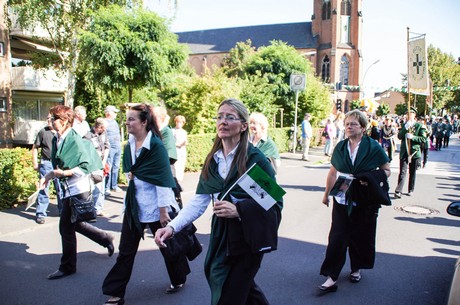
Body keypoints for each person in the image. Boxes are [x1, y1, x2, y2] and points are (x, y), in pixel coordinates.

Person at [155, 98, 283, 305]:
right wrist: (171, 227)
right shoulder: (213, 160)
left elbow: (273, 204)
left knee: (229, 294)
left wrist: (239, 210)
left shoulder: (254, 160)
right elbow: (200, 200)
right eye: (220, 116)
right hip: (221, 236)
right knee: (242, 290)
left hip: (247, 239)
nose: (222, 121)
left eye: (230, 117)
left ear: (243, 126)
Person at [102, 103, 189, 305]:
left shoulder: (156, 147)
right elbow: (129, 171)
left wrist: (162, 212)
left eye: (132, 119)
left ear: (144, 122)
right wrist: (132, 174)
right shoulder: (130, 145)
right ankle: (116, 292)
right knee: (126, 251)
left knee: (167, 247)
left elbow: (161, 181)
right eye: (127, 118)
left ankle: (179, 278)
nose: (127, 122)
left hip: (155, 206)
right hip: (134, 205)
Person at [39, 105, 114, 280]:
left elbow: (84, 167)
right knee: (75, 224)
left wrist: (61, 173)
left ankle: (67, 267)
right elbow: (58, 167)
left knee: (65, 227)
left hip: (78, 190)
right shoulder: (57, 138)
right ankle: (105, 238)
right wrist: (48, 177)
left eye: (53, 118)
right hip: (67, 189)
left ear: (64, 121)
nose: (50, 121)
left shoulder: (75, 140)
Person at [319, 109, 391, 292]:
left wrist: (370, 179)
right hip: (342, 199)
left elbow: (386, 169)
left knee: (361, 237)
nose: (349, 127)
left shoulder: (373, 146)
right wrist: (326, 194)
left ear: (363, 127)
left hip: (365, 200)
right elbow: (333, 173)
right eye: (347, 124)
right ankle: (331, 275)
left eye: (353, 124)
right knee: (337, 238)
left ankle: (356, 268)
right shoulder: (341, 147)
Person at [32, 114, 61, 224]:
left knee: (60, 188)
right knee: (44, 188)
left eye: (51, 119)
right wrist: (35, 163)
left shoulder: (60, 132)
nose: (49, 120)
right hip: (46, 162)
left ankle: (63, 211)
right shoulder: (43, 132)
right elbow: (35, 148)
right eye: (47, 118)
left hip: (58, 163)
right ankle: (40, 214)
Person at [394, 107, 427, 198]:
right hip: (405, 151)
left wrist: (413, 137)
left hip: (414, 152)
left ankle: (411, 189)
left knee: (412, 172)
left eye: (411, 114)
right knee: (402, 171)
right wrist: (405, 128)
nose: (409, 116)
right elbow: (400, 136)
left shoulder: (419, 126)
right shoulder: (405, 125)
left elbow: (423, 138)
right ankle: (398, 190)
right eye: (407, 114)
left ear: (414, 115)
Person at [84, 118, 109, 216]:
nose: (105, 130)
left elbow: (107, 147)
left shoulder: (103, 134)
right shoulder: (87, 137)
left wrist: (104, 161)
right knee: (92, 187)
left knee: (100, 188)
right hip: (92, 165)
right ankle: (89, 209)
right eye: (104, 128)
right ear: (99, 127)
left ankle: (98, 208)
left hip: (101, 164)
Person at [104, 105, 123, 195]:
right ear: (109, 113)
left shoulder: (115, 122)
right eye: (114, 112)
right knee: (109, 167)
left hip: (117, 147)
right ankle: (107, 188)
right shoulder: (104, 122)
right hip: (110, 148)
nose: (116, 114)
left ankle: (114, 185)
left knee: (116, 167)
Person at [173, 115, 188, 182]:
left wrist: (185, 143)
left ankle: (179, 181)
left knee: (181, 166)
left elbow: (185, 141)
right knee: (175, 167)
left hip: (182, 151)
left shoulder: (184, 132)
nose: (179, 123)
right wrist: (177, 144)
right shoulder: (172, 131)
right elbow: (170, 142)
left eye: (181, 122)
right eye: (178, 122)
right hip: (175, 150)